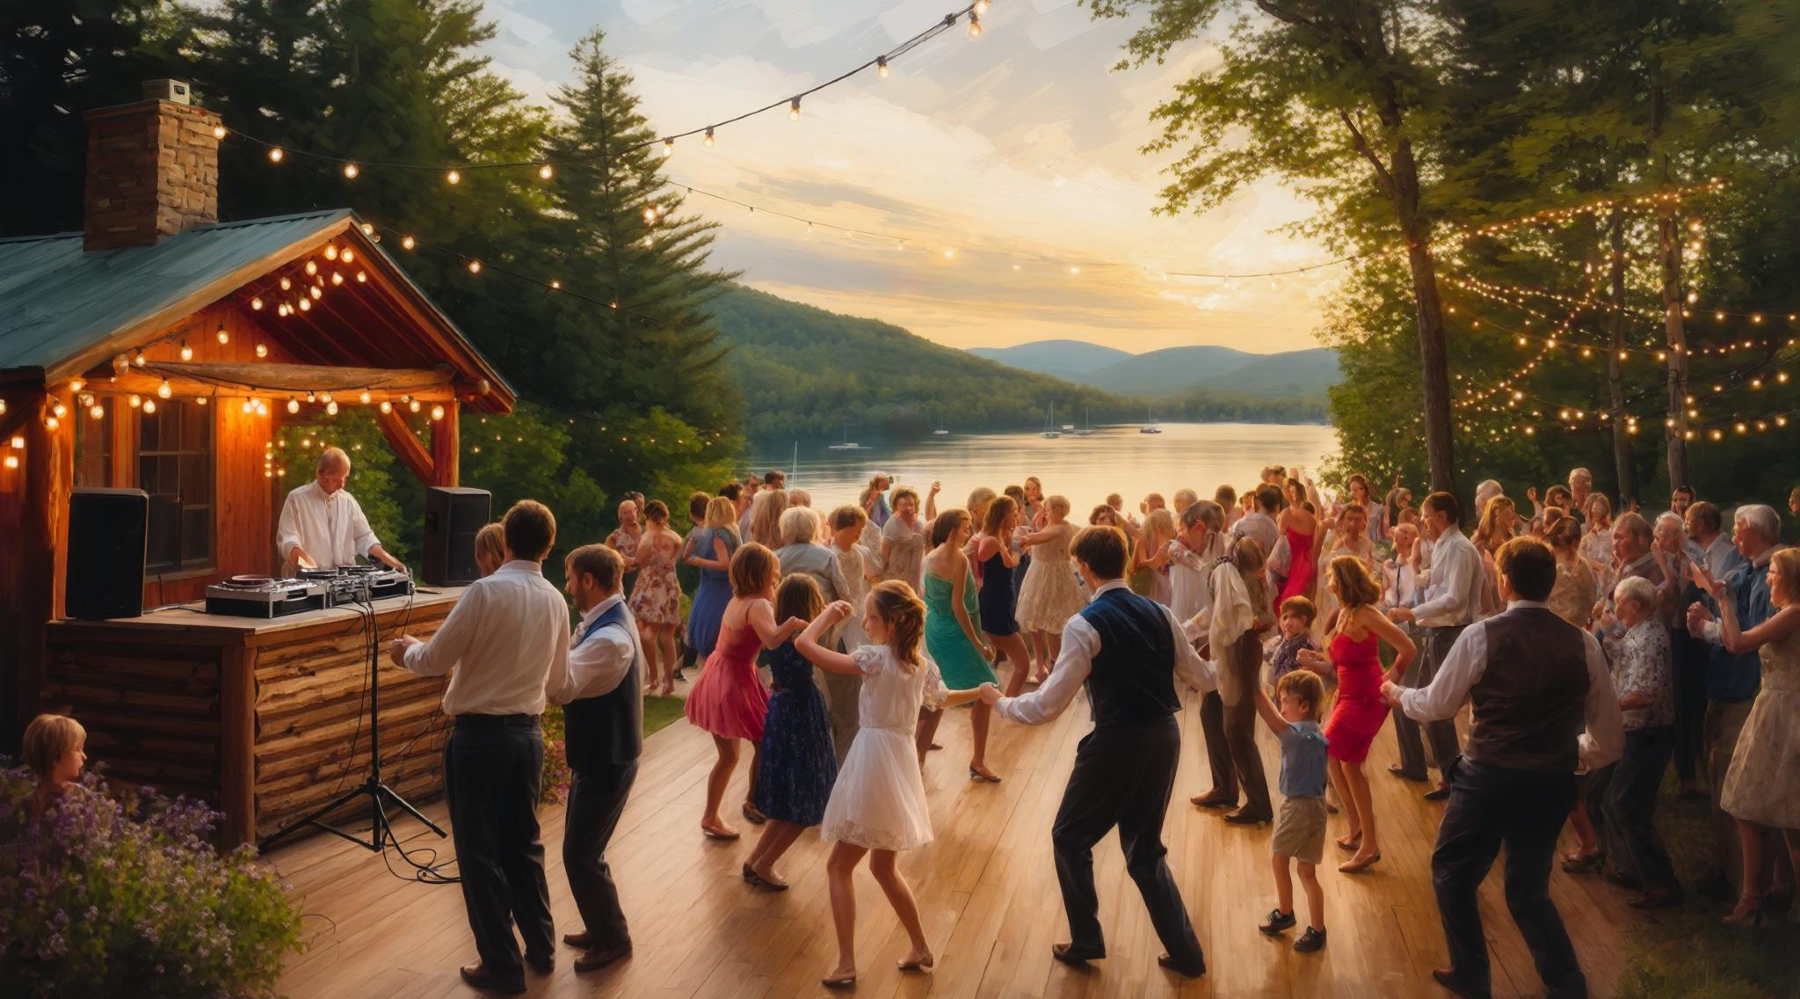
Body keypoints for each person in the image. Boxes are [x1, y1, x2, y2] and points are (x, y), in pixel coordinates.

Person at [1381, 537, 1623, 999]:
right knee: (1528, 890)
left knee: (1452, 873)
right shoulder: (1584, 645)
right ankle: (1568, 984)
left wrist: (1396, 695)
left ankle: (1472, 978)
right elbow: (1610, 741)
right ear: (1551, 584)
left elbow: (1435, 705)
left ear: (1504, 580)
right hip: (1550, 785)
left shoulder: (1481, 635)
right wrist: (1569, 757)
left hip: (1487, 781)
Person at [977, 525, 1211, 978]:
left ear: (1082, 566)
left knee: (1069, 836)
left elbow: (1047, 705)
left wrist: (999, 702)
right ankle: (1187, 954)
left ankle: (1087, 938)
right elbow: (1201, 676)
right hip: (1165, 735)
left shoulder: (1084, 623)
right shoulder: (1161, 613)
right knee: (1145, 852)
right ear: (1124, 560)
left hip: (1118, 740)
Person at [391, 500, 571, 994]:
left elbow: (434, 660)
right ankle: (541, 946)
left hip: (479, 741)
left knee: (479, 855)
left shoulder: (484, 592)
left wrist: (404, 650)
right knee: (525, 846)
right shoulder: (556, 599)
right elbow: (559, 682)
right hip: (528, 738)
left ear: (506, 540)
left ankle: (502, 966)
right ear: (549, 545)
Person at [799, 583, 981, 987]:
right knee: (883, 867)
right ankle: (919, 946)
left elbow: (805, 646)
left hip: (875, 761)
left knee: (839, 865)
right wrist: (981, 692)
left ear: (894, 623)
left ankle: (847, 964)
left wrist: (828, 617)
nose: (865, 624)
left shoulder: (876, 659)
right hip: (897, 762)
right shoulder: (921, 665)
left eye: (872, 618)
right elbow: (944, 698)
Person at [1694, 544, 1800, 926]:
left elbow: (1738, 643)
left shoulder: (1793, 614)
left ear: (1790, 578)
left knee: (1773, 810)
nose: (1768, 577)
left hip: (1785, 716)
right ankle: (1769, 893)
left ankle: (1758, 898)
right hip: (1774, 711)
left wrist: (1723, 600)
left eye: (1774, 572)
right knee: (1769, 809)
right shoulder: (1789, 614)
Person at [552, 544, 645, 972]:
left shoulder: (609, 638)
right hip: (599, 753)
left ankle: (613, 939)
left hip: (608, 756)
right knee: (584, 848)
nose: (568, 587)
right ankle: (600, 922)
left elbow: (561, 688)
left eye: (571, 578)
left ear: (589, 580)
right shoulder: (601, 623)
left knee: (581, 853)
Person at [1300, 555, 1416, 874]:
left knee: (1351, 766)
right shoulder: (1343, 613)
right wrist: (1313, 661)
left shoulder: (1366, 614)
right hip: (1346, 695)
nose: (1327, 581)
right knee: (1333, 756)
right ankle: (1356, 829)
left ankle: (1370, 846)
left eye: (1331, 576)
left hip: (1366, 698)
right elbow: (1339, 664)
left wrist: (1390, 678)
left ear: (1344, 580)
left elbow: (1408, 647)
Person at [683, 543, 805, 840]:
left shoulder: (737, 599)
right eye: (773, 575)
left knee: (739, 750)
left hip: (721, 674)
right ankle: (739, 805)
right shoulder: (758, 605)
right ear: (761, 575)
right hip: (734, 682)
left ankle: (738, 805)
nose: (776, 580)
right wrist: (797, 622)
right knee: (750, 746)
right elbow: (773, 640)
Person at [1584, 576, 1683, 910]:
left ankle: (1662, 883)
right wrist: (1608, 629)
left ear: (1636, 605)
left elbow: (1646, 694)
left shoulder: (1651, 639)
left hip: (1647, 734)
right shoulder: (1640, 631)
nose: (1615, 605)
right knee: (1610, 799)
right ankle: (1627, 866)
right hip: (1635, 731)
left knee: (1627, 805)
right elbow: (1623, 654)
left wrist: (1606, 707)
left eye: (1620, 601)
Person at [743, 575, 839, 891]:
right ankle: (766, 863)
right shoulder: (800, 633)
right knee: (803, 800)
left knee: (787, 800)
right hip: (801, 712)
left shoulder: (778, 630)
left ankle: (756, 860)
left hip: (782, 708)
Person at [1385, 491, 1481, 801]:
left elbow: (1455, 598)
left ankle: (1452, 777)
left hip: (1453, 633)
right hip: (1437, 632)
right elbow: (1434, 578)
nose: (1422, 521)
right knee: (1415, 700)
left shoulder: (1461, 549)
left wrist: (1412, 613)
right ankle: (1418, 765)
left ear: (1441, 516)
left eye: (1427, 515)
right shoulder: (1444, 545)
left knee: (1435, 707)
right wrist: (1415, 568)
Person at [1192, 537, 1275, 825]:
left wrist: (1221, 645)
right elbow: (1218, 612)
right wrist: (1187, 630)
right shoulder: (1229, 574)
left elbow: (1238, 618)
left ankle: (1259, 804)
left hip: (1239, 651)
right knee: (1210, 712)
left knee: (1237, 728)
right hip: (1230, 650)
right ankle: (1225, 788)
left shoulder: (1228, 573)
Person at [917, 509, 1001, 780]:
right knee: (986, 687)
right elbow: (959, 608)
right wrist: (979, 643)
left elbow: (925, 596)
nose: (969, 531)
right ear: (954, 531)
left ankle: (916, 757)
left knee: (939, 692)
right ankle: (977, 760)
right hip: (955, 630)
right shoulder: (959, 559)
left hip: (935, 628)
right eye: (965, 528)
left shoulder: (930, 555)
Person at [1253, 670, 1330, 953]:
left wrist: (1252, 685)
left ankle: (1286, 913)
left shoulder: (1296, 735)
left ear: (1304, 705)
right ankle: (1318, 930)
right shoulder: (1315, 732)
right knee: (1307, 871)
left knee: (1279, 860)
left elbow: (1271, 717)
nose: (1282, 706)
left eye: (1285, 701)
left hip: (1297, 807)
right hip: (1318, 808)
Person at [277, 446, 408, 573]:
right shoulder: (297, 498)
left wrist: (389, 566)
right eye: (337, 480)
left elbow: (365, 538)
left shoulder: (348, 501)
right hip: (306, 585)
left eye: (345, 478)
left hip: (345, 585)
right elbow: (288, 539)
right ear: (321, 474)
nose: (342, 485)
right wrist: (308, 567)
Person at [822, 505, 873, 767]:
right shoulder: (829, 555)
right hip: (840, 624)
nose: (860, 534)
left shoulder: (857, 553)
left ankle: (851, 757)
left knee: (856, 693)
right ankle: (841, 760)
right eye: (857, 529)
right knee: (842, 695)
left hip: (858, 621)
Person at [1016, 495, 1086, 682]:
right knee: (1039, 621)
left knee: (1054, 623)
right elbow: (1042, 535)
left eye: (1049, 508)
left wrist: (1027, 538)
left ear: (1058, 509)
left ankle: (1057, 667)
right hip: (1040, 575)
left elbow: (1043, 537)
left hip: (1053, 578)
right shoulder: (1051, 524)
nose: (1046, 511)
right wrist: (1036, 521)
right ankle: (1043, 667)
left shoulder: (1062, 527)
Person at [976, 496, 1033, 698]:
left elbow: (1012, 562)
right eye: (1013, 512)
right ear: (1001, 515)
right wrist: (1002, 547)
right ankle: (1007, 706)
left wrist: (1013, 545)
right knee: (1023, 666)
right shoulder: (991, 540)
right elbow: (979, 555)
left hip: (1003, 604)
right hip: (996, 607)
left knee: (1012, 663)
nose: (1017, 516)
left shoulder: (1003, 537)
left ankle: (1003, 703)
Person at [628, 500, 682, 697]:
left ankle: (653, 673)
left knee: (646, 631)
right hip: (669, 586)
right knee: (667, 635)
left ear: (647, 516)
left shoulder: (649, 537)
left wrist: (625, 561)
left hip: (652, 588)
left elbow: (639, 562)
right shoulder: (675, 537)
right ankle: (669, 680)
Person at [684, 497, 741, 664]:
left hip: (714, 589)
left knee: (707, 631)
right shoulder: (733, 530)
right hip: (727, 586)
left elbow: (725, 563)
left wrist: (697, 561)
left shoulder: (716, 533)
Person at [21, 712, 87, 824]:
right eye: (77, 749)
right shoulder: (30, 802)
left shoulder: (80, 794)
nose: (84, 756)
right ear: (57, 758)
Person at [1543, 514, 1598, 628]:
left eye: (1559, 544)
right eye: (1553, 543)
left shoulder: (1585, 570)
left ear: (1575, 544)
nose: (1555, 549)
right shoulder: (1545, 564)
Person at [876, 487, 928, 592]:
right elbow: (884, 556)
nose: (908, 508)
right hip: (896, 575)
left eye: (911, 505)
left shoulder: (919, 524)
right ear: (895, 506)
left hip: (916, 574)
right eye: (904, 505)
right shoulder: (891, 525)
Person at [1277, 477, 1319, 604]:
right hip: (1306, 562)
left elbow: (1280, 538)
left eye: (1290, 490)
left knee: (1289, 601)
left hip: (1294, 563)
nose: (1289, 492)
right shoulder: (1310, 517)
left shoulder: (1288, 514)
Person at [1266, 596, 1321, 688]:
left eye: (1289, 617)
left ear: (1303, 620)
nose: (1285, 623)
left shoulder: (1306, 646)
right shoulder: (1289, 641)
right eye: (1285, 618)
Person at [1132, 508, 1178, 606]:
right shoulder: (1143, 539)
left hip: (1165, 585)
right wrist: (1156, 558)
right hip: (1148, 585)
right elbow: (1140, 564)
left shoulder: (1171, 540)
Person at [1231, 483, 1283, 560]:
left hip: (1239, 567)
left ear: (1258, 503)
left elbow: (1230, 550)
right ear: (1277, 506)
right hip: (1262, 569)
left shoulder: (1241, 523)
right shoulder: (1274, 531)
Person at [604, 498, 643, 594]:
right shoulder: (614, 537)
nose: (630, 515)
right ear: (620, 516)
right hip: (624, 578)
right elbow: (608, 559)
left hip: (644, 577)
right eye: (625, 513)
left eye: (632, 511)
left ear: (636, 511)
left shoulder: (646, 532)